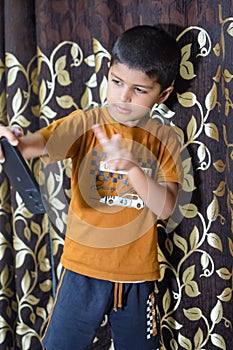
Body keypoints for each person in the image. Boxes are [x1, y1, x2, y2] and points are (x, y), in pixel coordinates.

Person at [0, 25, 183, 349]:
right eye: (116, 82)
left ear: (163, 94)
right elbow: (34, 145)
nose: (124, 97)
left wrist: (131, 170)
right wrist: (11, 141)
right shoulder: (86, 123)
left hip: (137, 277)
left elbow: (168, 208)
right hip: (81, 269)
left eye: (139, 90)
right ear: (108, 74)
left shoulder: (165, 138)